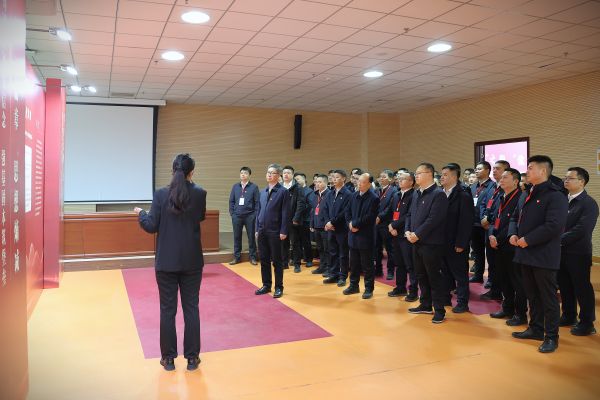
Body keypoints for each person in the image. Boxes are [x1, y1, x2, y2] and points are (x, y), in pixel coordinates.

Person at [134, 153, 206, 372]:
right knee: (191, 308)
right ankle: (192, 359)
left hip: (166, 262)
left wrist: (142, 214)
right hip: (192, 261)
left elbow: (151, 226)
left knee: (167, 310)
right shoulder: (200, 193)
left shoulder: (161, 194)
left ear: (173, 170)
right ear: (192, 172)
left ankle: (168, 359)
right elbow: (199, 217)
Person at [508, 155, 568, 353]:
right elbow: (516, 217)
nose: (527, 171)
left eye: (531, 167)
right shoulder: (528, 193)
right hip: (525, 252)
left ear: (543, 171)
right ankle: (535, 328)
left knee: (547, 297)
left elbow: (554, 226)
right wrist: (513, 234)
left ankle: (551, 336)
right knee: (532, 294)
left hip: (543, 254)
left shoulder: (555, 195)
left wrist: (528, 239)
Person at [405, 163, 449, 323]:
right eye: (415, 173)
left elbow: (434, 219)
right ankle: (425, 304)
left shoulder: (438, 194)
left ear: (430, 174)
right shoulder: (417, 193)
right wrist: (407, 231)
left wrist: (418, 234)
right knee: (421, 275)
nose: (416, 176)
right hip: (415, 241)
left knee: (434, 277)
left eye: (419, 173)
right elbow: (409, 214)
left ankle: (439, 309)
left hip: (431, 243)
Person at [558, 167, 599, 336]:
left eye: (570, 178)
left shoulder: (588, 203)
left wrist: (557, 240)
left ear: (581, 182)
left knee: (582, 287)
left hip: (578, 252)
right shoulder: (563, 200)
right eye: (565, 177)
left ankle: (587, 323)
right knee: (564, 285)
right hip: (560, 251)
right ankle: (569, 315)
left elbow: (582, 229)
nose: (566, 180)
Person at [488, 168, 527, 326]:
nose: (501, 180)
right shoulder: (500, 196)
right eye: (501, 177)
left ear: (516, 181)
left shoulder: (521, 197)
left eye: (505, 177)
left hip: (512, 245)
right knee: (504, 279)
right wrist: (491, 235)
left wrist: (498, 238)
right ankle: (507, 308)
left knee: (517, 281)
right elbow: (494, 219)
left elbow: (516, 223)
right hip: (498, 244)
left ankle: (520, 314)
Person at [440, 164, 473, 314]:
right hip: (441, 240)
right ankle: (445, 297)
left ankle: (462, 302)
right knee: (444, 271)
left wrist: (461, 242)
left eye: (445, 174)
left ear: (454, 176)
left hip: (456, 241)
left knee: (460, 273)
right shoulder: (440, 193)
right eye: (442, 174)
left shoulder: (463, 194)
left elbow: (466, 221)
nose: (442, 177)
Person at [255, 164, 290, 298]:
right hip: (262, 230)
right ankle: (266, 285)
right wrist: (257, 228)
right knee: (264, 259)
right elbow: (258, 211)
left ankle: (279, 287)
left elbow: (286, 212)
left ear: (278, 175)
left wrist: (284, 230)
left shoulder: (283, 192)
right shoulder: (263, 192)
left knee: (277, 261)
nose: (269, 175)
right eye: (268, 172)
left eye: (272, 173)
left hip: (275, 231)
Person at [344, 173, 380, 299]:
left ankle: (369, 288)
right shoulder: (353, 195)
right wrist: (350, 223)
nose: (359, 184)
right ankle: (353, 285)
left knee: (367, 265)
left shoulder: (374, 198)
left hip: (365, 235)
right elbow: (347, 211)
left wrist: (355, 224)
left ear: (369, 184)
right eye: (359, 181)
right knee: (353, 264)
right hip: (353, 234)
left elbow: (370, 217)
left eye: (363, 182)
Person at [480, 160, 510, 299]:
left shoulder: (506, 189)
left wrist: (489, 220)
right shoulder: (493, 187)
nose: (495, 170)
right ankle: (494, 288)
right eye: (494, 168)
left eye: (498, 168)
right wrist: (484, 217)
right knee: (492, 261)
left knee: (499, 264)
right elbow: (485, 204)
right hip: (489, 228)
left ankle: (499, 291)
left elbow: (500, 211)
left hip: (498, 230)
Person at [387, 172, 418, 301]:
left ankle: (413, 291)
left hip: (406, 234)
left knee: (410, 264)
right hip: (395, 233)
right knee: (399, 263)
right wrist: (391, 225)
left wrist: (394, 225)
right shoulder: (396, 195)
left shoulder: (414, 195)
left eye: (403, 179)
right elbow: (392, 212)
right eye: (399, 179)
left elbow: (409, 215)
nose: (399, 180)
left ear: (411, 182)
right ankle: (400, 287)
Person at [322, 169, 351, 286]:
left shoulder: (348, 194)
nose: (334, 179)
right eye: (333, 177)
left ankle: (343, 276)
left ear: (344, 178)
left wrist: (332, 222)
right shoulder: (330, 193)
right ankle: (333, 274)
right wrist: (327, 222)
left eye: (337, 177)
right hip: (331, 228)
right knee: (332, 252)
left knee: (343, 254)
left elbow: (345, 212)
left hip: (341, 228)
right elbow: (325, 209)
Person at [469, 161, 495, 283]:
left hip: (486, 224)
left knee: (490, 254)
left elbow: (491, 205)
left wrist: (486, 219)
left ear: (487, 170)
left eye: (479, 169)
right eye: (476, 169)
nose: (476, 170)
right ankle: (478, 275)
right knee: (477, 251)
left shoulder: (492, 186)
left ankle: (491, 278)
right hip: (473, 224)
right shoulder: (473, 187)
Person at [228, 166, 259, 265]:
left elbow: (257, 202)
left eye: (245, 173)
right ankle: (237, 257)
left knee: (251, 237)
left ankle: (252, 257)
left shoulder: (254, 187)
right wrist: (232, 213)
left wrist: (255, 215)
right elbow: (231, 201)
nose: (243, 175)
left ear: (249, 175)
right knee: (237, 237)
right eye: (241, 173)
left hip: (250, 216)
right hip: (237, 216)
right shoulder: (235, 186)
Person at [281, 165, 307, 273]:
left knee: (295, 243)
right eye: (284, 173)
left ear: (292, 175)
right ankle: (284, 263)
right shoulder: (279, 187)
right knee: (283, 242)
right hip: (282, 221)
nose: (286, 175)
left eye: (288, 173)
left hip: (294, 220)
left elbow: (301, 204)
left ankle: (297, 264)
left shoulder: (298, 188)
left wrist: (296, 218)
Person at [375, 169, 398, 279]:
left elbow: (390, 207)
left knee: (390, 249)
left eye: (384, 176)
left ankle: (390, 271)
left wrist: (380, 217)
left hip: (386, 223)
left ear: (390, 179)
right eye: (380, 176)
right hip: (376, 224)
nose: (381, 178)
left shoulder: (394, 191)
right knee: (376, 248)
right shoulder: (377, 190)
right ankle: (378, 269)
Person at [310, 174, 330, 276]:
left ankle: (329, 268)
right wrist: (312, 223)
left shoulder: (329, 194)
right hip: (317, 225)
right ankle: (322, 266)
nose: (317, 184)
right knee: (320, 248)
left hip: (325, 226)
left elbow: (330, 211)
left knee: (327, 249)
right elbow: (313, 210)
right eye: (316, 182)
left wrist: (328, 223)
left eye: (320, 182)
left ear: (326, 183)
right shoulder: (315, 194)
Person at [294, 172, 314, 268]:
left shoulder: (309, 191)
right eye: (295, 179)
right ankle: (297, 259)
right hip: (295, 219)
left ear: (304, 179)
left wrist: (298, 211)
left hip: (305, 219)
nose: (296, 181)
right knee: (296, 241)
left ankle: (309, 259)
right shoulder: (295, 190)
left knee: (306, 241)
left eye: (298, 179)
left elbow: (310, 205)